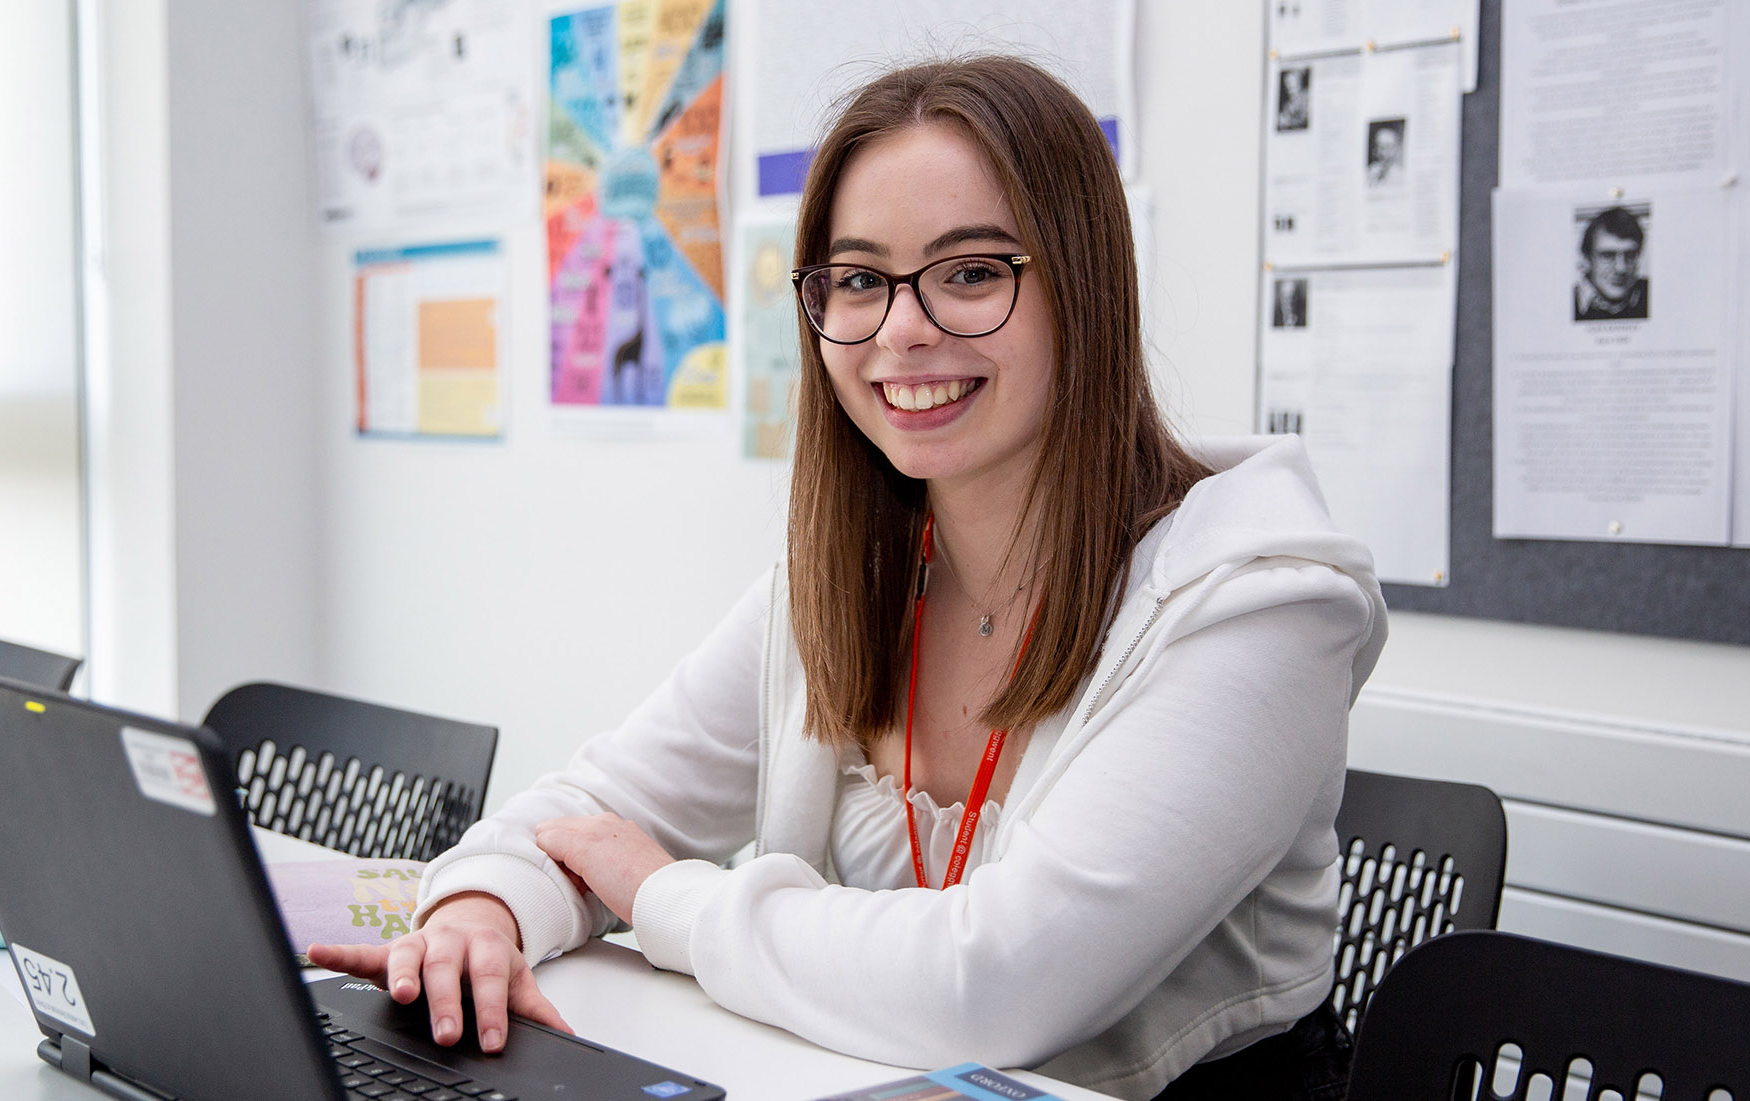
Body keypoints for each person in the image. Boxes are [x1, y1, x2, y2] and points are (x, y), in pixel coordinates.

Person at [311, 57, 1386, 1100]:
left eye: (971, 271)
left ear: (1085, 286)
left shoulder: (1258, 603)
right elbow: (592, 807)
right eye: (860, 280)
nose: (901, 331)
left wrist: (666, 898)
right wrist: (479, 910)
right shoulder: (847, 575)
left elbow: (997, 985)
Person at [1574, 204, 1648, 321]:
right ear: (1587, 259)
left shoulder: (1651, 294)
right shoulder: (1567, 300)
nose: (1621, 268)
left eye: (1629, 255)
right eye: (1607, 256)